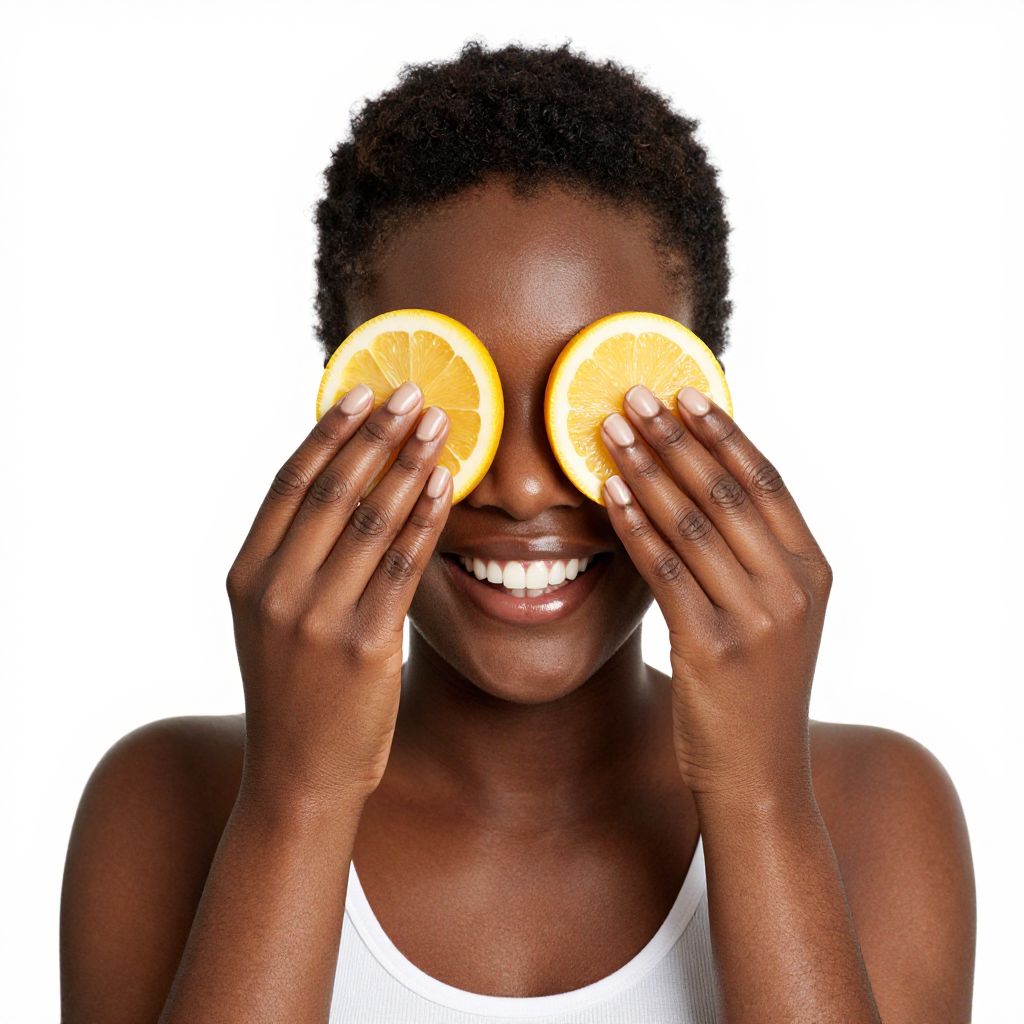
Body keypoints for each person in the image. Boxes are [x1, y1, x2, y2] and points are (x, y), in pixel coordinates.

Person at [59, 39, 976, 1024]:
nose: (527, 488)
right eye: (452, 406)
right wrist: (299, 798)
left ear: (699, 404)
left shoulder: (874, 804)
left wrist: (758, 796)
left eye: (598, 406)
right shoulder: (162, 798)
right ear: (347, 404)